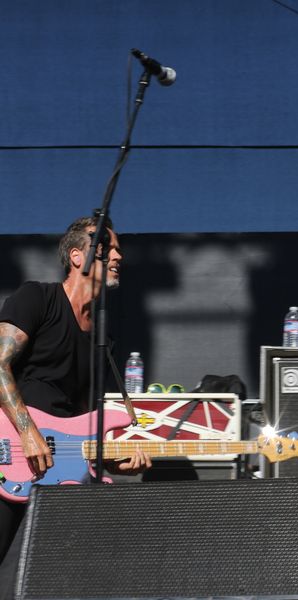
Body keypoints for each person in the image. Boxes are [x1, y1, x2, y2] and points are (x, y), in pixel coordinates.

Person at [0, 215, 151, 594]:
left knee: (56, 582)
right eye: (107, 248)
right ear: (77, 257)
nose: (118, 256)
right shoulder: (38, 298)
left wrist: (110, 460)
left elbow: (82, 422)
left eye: (118, 249)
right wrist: (27, 432)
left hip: (59, 473)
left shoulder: (102, 339)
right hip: (11, 452)